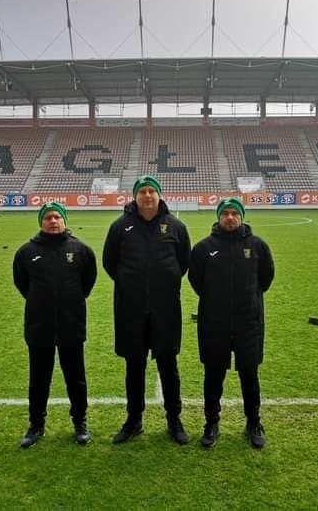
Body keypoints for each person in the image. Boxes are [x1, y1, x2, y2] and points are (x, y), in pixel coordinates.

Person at [103, 175, 191, 445]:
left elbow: (183, 262)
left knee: (168, 364)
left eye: (152, 190)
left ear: (159, 195)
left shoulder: (175, 226)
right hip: (131, 309)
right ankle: (134, 420)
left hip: (166, 309)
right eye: (142, 191)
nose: (148, 195)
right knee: (134, 365)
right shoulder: (120, 227)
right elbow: (110, 263)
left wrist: (165, 280)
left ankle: (174, 420)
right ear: (135, 196)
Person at [188, 197, 274, 449]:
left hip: (249, 322)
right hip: (214, 323)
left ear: (241, 216)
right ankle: (211, 423)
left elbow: (265, 278)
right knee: (213, 375)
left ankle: (253, 423)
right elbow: (196, 280)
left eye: (234, 213)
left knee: (250, 375)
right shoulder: (204, 248)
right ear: (218, 217)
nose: (230, 217)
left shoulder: (257, 246)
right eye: (225, 213)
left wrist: (248, 299)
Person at [13, 202, 97, 448]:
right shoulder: (27, 252)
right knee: (39, 378)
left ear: (64, 220)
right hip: (40, 326)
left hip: (72, 324)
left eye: (57, 217)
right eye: (48, 217)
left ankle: (80, 422)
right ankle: (36, 425)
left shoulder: (80, 250)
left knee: (76, 378)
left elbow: (87, 283)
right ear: (41, 222)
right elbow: (22, 284)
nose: (53, 221)